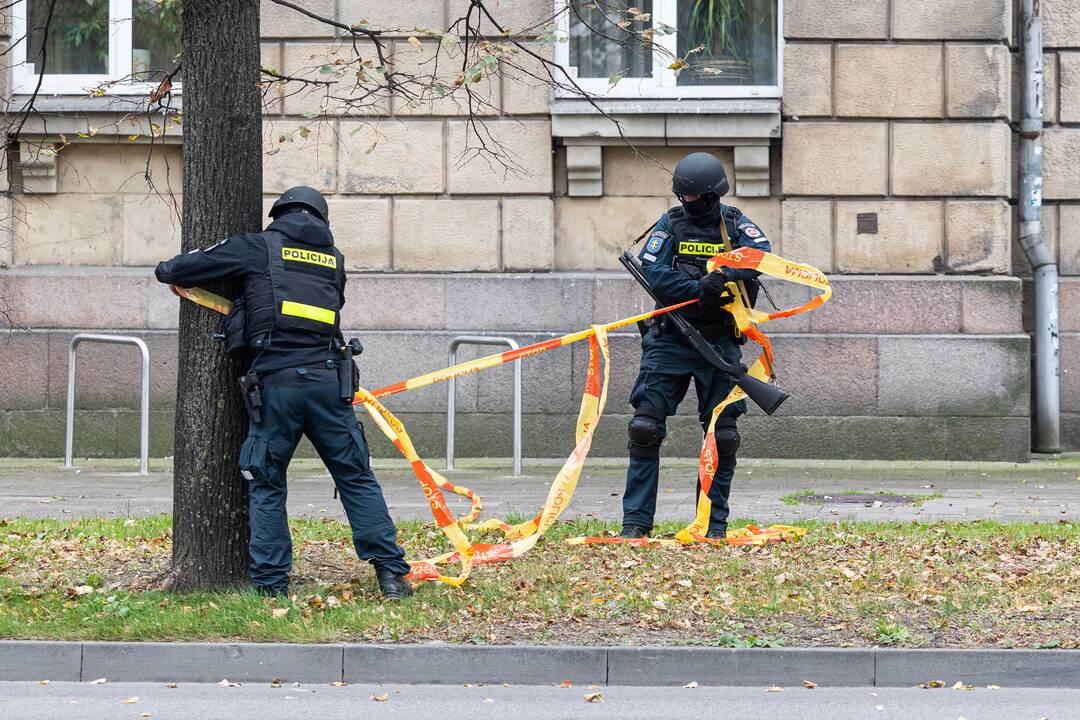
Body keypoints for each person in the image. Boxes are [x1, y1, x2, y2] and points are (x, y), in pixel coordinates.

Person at [155, 186, 414, 600]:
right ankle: (391, 576)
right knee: (356, 477)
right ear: (321, 218)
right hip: (330, 384)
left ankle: (272, 587)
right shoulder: (334, 260)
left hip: (276, 387)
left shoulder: (256, 247)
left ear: (279, 214)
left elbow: (173, 270)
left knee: (267, 481)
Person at [620, 152, 771, 540]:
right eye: (682, 197)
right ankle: (635, 524)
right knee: (644, 428)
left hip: (719, 341)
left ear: (711, 196)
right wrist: (695, 290)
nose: (687, 203)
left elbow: (761, 256)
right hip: (671, 337)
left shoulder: (735, 223)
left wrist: (721, 276)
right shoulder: (669, 224)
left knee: (722, 435)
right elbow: (654, 271)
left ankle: (711, 524)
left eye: (693, 198)